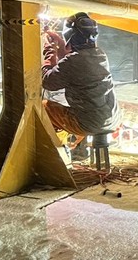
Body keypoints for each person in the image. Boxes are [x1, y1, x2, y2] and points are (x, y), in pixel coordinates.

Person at [42, 12, 121, 159]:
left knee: (44, 108)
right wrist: (59, 42)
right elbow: (72, 61)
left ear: (70, 38)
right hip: (113, 118)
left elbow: (48, 81)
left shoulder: (73, 62)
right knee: (83, 109)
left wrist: (49, 50)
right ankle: (80, 148)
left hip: (90, 123)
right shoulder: (100, 55)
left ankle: (59, 151)